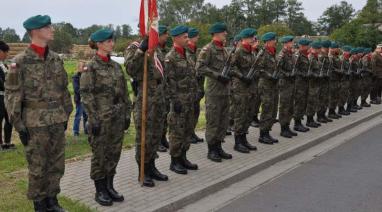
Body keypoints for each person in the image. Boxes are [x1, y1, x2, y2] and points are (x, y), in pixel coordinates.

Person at [5, 15, 73, 211]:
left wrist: (66, 113)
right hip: (34, 123)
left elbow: (63, 88)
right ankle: (39, 204)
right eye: (47, 27)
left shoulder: (55, 59)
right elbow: (11, 95)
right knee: (37, 166)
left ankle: (52, 200)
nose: (52, 29)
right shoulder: (20, 61)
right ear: (35, 32)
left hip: (56, 119)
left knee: (56, 163)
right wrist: (18, 125)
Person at [80, 28, 132, 206]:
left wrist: (127, 114)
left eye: (112, 40)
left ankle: (110, 186)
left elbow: (125, 93)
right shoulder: (91, 67)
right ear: (100, 44)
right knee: (100, 155)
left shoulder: (116, 66)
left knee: (114, 152)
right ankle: (100, 190)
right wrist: (93, 119)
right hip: (101, 119)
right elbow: (86, 95)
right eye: (109, 41)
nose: (112, 43)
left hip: (117, 117)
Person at [125, 29, 169, 187]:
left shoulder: (157, 49)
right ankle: (142, 171)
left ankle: (152, 166)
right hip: (145, 98)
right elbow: (130, 68)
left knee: (156, 135)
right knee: (144, 136)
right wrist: (141, 51)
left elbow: (163, 73)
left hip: (159, 97)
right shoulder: (135, 47)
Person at [196, 22, 233, 163]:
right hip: (214, 92)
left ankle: (218, 147)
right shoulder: (208, 49)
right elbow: (200, 68)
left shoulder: (224, 50)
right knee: (213, 121)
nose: (226, 34)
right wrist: (217, 76)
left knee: (223, 121)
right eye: (224, 32)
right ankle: (211, 150)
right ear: (216, 33)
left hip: (225, 91)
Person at [164, 25, 199, 174]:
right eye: (185, 37)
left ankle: (183, 157)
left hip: (190, 100)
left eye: (187, 36)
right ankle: (175, 161)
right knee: (177, 132)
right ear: (176, 38)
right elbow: (168, 82)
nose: (187, 39)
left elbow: (193, 77)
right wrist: (175, 100)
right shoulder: (170, 58)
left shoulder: (188, 55)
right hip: (179, 101)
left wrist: (196, 93)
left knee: (187, 130)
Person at [230, 28, 258, 153]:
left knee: (248, 114)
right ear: (245, 38)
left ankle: (244, 138)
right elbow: (231, 67)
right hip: (240, 88)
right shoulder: (239, 51)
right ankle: (238, 142)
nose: (253, 39)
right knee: (240, 115)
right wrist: (242, 76)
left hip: (250, 87)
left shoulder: (251, 52)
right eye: (251, 37)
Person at [256, 32, 279, 144]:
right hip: (265, 85)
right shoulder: (262, 54)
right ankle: (262, 134)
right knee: (267, 109)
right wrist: (269, 75)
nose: (275, 41)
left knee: (273, 110)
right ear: (268, 41)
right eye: (274, 39)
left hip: (273, 85)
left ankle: (267, 132)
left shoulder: (272, 53)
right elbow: (258, 69)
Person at [186, 27, 204, 144]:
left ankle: (192, 132)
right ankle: (188, 135)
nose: (198, 37)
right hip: (189, 89)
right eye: (196, 35)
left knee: (196, 111)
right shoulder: (186, 51)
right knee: (189, 112)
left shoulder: (197, 51)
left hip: (198, 87)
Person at [277, 35, 298, 138]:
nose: (292, 43)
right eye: (291, 42)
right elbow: (278, 69)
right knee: (284, 106)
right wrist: (287, 74)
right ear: (286, 43)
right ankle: (283, 128)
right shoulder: (282, 55)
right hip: (285, 83)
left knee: (290, 107)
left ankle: (287, 126)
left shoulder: (291, 54)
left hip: (291, 83)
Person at [158, 25, 171, 152]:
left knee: (165, 115)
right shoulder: (153, 50)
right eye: (165, 34)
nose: (167, 36)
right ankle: (156, 141)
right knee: (157, 117)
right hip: (157, 90)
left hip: (166, 90)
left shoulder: (167, 50)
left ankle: (162, 138)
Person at [293, 38, 311, 132]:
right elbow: (294, 69)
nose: (309, 47)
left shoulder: (305, 55)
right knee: (299, 103)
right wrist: (302, 74)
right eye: (307, 45)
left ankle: (299, 122)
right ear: (303, 46)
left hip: (304, 83)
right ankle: (297, 123)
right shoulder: (298, 55)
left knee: (303, 102)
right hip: (299, 83)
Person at [0, 41, 14, 150]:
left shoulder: (4, 65)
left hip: (7, 96)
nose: (7, 55)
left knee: (9, 119)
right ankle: (0, 144)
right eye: (6, 52)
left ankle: (7, 143)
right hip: (0, 96)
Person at [306, 41, 322, 128]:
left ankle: (311, 119)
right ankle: (309, 120)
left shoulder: (316, 57)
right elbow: (308, 71)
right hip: (311, 84)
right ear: (314, 49)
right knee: (311, 102)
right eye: (318, 49)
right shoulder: (310, 58)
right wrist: (315, 75)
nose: (319, 50)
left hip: (316, 83)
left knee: (314, 101)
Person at [317, 40, 333, 123]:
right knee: (321, 99)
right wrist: (323, 74)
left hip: (327, 80)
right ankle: (319, 116)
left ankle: (323, 114)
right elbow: (319, 68)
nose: (329, 49)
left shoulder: (326, 56)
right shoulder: (321, 56)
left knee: (326, 98)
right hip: (322, 81)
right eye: (328, 47)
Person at [72, 61, 88, 136]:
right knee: (78, 115)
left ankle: (86, 130)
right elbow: (76, 88)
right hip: (79, 99)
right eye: (83, 66)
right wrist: (83, 93)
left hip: (86, 98)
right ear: (78, 68)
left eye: (85, 66)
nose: (84, 67)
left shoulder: (86, 76)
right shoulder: (75, 77)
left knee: (86, 115)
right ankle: (75, 131)